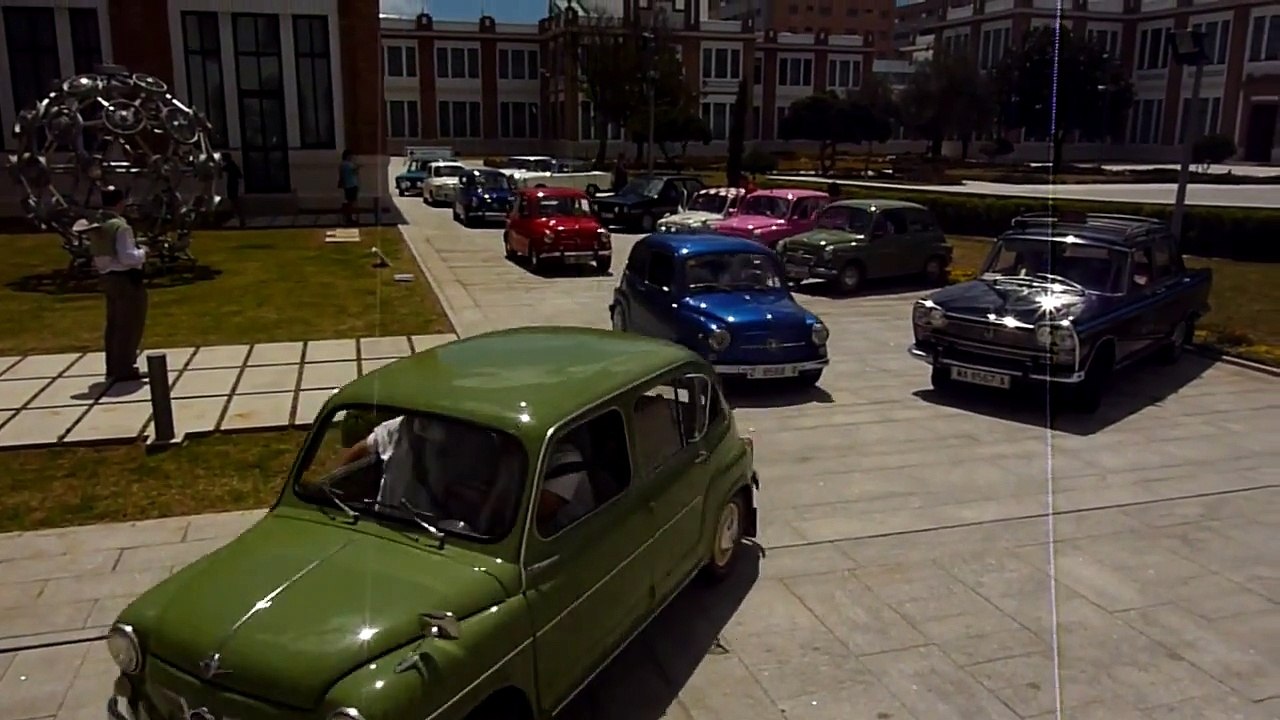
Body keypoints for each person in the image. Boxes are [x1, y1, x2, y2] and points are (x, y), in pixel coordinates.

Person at [336, 416, 594, 532]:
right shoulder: (404, 428)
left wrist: (473, 499)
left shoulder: (564, 458)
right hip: (405, 530)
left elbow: (532, 514)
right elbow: (360, 451)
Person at [89, 186, 149, 383]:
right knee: (130, 324)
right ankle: (124, 367)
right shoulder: (120, 227)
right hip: (125, 279)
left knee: (114, 325)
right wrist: (143, 253)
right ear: (120, 202)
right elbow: (127, 257)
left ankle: (113, 366)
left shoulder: (99, 223)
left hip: (107, 277)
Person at [221, 152, 244, 227]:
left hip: (232, 186)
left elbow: (222, 169)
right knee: (234, 202)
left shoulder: (230, 165)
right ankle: (238, 217)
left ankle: (240, 218)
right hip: (233, 185)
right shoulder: (232, 165)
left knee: (235, 202)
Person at [338, 150, 360, 226]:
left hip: (347, 185)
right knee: (352, 202)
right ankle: (350, 218)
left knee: (349, 201)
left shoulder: (342, 165)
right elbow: (354, 171)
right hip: (352, 185)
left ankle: (348, 217)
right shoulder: (348, 164)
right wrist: (358, 167)